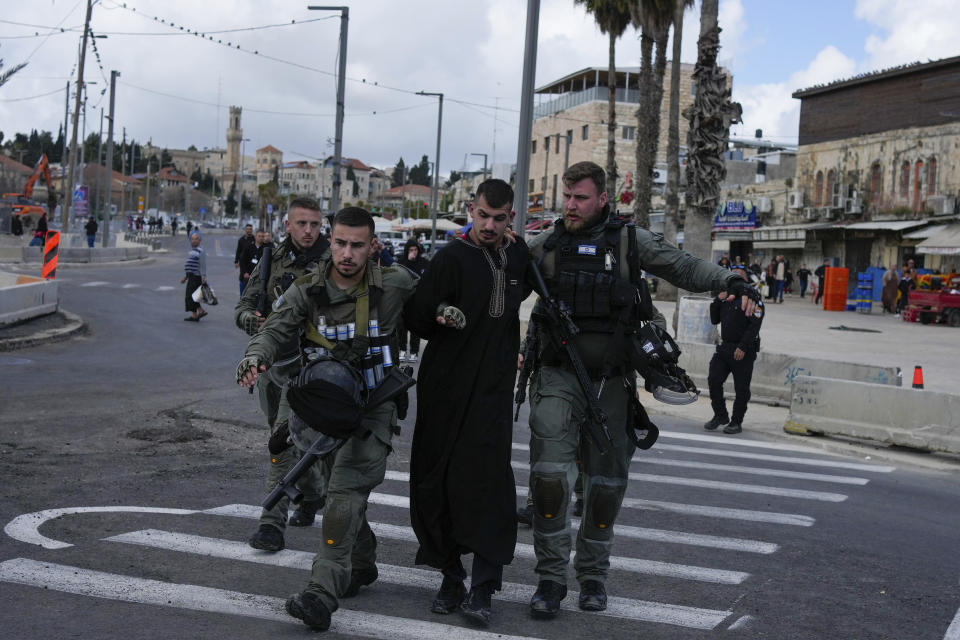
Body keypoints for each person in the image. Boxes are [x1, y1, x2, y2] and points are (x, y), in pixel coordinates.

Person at [524, 161, 759, 618]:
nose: (571, 206)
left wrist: (731, 281)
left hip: (613, 382)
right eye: (567, 197)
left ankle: (593, 575)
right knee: (550, 480)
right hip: (557, 376)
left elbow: (685, 267)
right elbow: (497, 276)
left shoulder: (630, 243)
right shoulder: (545, 246)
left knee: (606, 485)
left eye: (581, 198)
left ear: (603, 200)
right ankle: (551, 580)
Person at [237, 206, 416, 632]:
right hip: (323, 407)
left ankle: (320, 593)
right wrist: (255, 356)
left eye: (357, 245)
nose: (347, 253)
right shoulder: (307, 289)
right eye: (340, 243)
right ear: (330, 242)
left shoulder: (396, 284)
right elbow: (275, 329)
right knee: (344, 493)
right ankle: (362, 561)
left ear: (373, 246)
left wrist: (447, 310)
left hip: (374, 407)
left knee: (342, 493)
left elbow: (436, 299)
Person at [404, 179, 531, 627]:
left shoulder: (517, 255)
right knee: (438, 482)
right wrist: (439, 313)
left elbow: (532, 287)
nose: (490, 225)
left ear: (511, 217)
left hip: (493, 393)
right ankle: (451, 575)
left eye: (499, 218)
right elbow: (415, 315)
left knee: (490, 486)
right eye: (483, 216)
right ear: (470, 212)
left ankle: (484, 588)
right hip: (446, 391)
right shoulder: (451, 258)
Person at [235, 198, 332, 554]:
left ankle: (271, 525)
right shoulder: (271, 259)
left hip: (308, 368)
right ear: (288, 224)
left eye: (315, 225)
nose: (309, 231)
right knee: (288, 441)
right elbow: (244, 306)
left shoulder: (332, 262)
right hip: (270, 368)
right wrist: (250, 320)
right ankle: (314, 491)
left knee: (281, 443)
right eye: (302, 224)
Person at [704, 267, 764, 435]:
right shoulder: (727, 297)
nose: (735, 275)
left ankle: (736, 422)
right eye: (733, 272)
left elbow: (754, 326)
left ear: (745, 279)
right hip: (725, 347)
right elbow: (714, 319)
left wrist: (743, 347)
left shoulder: (753, 299)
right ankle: (720, 415)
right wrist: (718, 300)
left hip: (743, 350)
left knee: (741, 389)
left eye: (739, 273)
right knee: (713, 380)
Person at [397, 238, 429, 362]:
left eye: (415, 249)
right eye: (411, 250)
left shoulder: (424, 262)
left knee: (415, 327)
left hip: (417, 299)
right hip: (403, 299)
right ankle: (402, 349)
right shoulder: (402, 262)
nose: (413, 252)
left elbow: (428, 278)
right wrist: (408, 261)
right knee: (401, 326)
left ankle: (414, 352)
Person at [180, 232, 207, 321]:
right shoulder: (192, 251)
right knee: (191, 296)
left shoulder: (201, 251)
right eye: (193, 239)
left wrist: (203, 276)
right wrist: (186, 277)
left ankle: (201, 310)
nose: (194, 240)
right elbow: (190, 266)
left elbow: (202, 265)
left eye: (196, 239)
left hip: (196, 277)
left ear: (200, 240)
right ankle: (194, 315)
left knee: (191, 296)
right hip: (191, 276)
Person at [235, 224, 256, 293]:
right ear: (245, 230)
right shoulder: (241, 240)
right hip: (243, 262)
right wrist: (236, 261)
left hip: (252, 262)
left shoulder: (254, 239)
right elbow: (238, 251)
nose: (249, 230)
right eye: (247, 229)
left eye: (250, 229)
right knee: (243, 277)